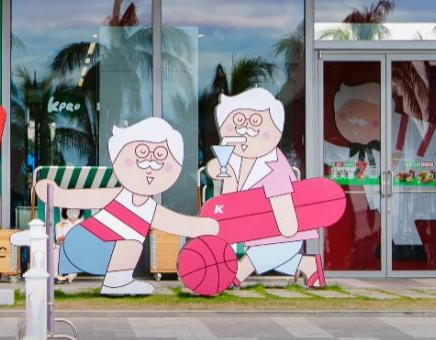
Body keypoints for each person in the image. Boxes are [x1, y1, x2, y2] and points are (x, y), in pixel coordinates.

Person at [38, 117, 219, 296]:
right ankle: (115, 283)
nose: (150, 165)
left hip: (88, 250)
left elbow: (177, 223)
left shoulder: (149, 209)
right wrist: (56, 194)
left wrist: (205, 226)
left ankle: (46, 262)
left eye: (160, 156)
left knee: (62, 259)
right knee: (131, 245)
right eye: (141, 153)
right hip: (88, 241)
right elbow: (82, 198)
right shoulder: (118, 196)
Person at [206, 88, 324, 288]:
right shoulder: (236, 160)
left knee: (261, 254)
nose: (246, 129)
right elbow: (226, 188)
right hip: (259, 231)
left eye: (255, 121)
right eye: (238, 121)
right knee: (276, 258)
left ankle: (236, 274)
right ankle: (310, 266)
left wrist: (282, 230)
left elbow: (285, 215)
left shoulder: (274, 165)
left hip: (282, 233)